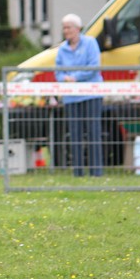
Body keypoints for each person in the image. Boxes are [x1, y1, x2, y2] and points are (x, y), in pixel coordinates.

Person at [55, 13, 104, 177]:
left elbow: (93, 67)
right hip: (71, 97)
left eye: (68, 27)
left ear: (78, 28)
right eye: (64, 28)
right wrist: (65, 79)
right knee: (74, 134)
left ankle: (96, 171)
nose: (66, 31)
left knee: (93, 132)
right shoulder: (62, 49)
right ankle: (78, 171)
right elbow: (58, 73)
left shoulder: (90, 43)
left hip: (91, 95)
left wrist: (74, 77)